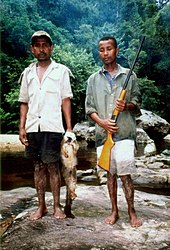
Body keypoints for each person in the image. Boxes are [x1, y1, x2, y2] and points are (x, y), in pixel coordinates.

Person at [85, 36, 142, 227]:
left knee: (125, 174)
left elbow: (137, 104)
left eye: (109, 49)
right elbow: (89, 109)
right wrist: (103, 123)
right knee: (110, 175)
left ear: (116, 51)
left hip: (125, 133)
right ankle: (114, 211)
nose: (105, 53)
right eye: (101, 50)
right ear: (99, 52)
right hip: (104, 136)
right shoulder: (93, 79)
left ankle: (132, 212)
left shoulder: (129, 76)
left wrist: (127, 106)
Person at [19, 30, 75, 220]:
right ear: (32, 49)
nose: (41, 49)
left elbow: (66, 100)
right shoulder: (27, 73)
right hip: (34, 126)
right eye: (37, 45)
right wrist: (22, 127)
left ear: (51, 48)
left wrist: (69, 128)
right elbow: (24, 102)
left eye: (45, 45)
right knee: (38, 167)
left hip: (53, 126)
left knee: (53, 167)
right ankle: (41, 206)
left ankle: (57, 207)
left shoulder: (61, 71)